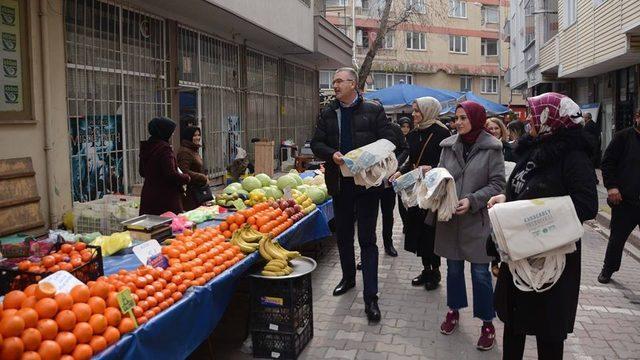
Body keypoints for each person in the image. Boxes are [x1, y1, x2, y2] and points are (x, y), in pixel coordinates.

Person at [488, 92, 598, 359]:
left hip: (552, 259)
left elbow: (585, 205)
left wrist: (530, 215)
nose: (529, 121)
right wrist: (506, 198)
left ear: (551, 118)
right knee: (513, 325)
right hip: (518, 253)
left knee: (548, 331)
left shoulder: (574, 157)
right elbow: (519, 188)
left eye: (534, 115)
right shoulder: (533, 148)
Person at [310, 67, 397, 322]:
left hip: (367, 186)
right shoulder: (328, 112)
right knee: (344, 236)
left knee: (367, 240)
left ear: (353, 84)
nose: (334, 85)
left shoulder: (373, 110)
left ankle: (371, 297)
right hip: (340, 184)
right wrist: (331, 154)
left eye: (339, 81)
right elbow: (317, 143)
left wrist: (371, 158)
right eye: (334, 81)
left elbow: (389, 140)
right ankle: (348, 278)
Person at [436, 101, 505, 351]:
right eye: (457, 118)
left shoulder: (492, 147)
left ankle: (487, 323)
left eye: (464, 118)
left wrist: (473, 200)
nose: (459, 123)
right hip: (450, 220)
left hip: (477, 221)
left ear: (476, 119)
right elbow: (441, 176)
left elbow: (498, 184)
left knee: (480, 274)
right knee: (453, 271)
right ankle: (453, 311)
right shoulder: (447, 146)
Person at [388, 97, 450, 290]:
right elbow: (411, 160)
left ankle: (436, 271)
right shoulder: (414, 133)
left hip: (433, 190)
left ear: (428, 110)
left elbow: (447, 162)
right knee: (416, 230)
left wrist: (431, 168)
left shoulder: (442, 133)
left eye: (417, 111)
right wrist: (400, 172)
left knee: (430, 231)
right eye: (413, 110)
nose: (413, 114)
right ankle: (425, 269)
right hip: (415, 189)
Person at [597, 110, 640, 283]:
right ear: (637, 117)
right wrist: (612, 187)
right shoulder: (623, 137)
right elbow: (607, 162)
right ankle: (608, 269)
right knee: (617, 239)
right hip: (625, 199)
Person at [139, 117, 190, 215]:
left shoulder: (146, 147)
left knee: (152, 226)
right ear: (164, 131)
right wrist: (186, 178)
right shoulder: (164, 149)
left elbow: (142, 171)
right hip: (166, 197)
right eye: (171, 131)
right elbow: (171, 174)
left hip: (149, 195)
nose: (173, 134)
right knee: (171, 227)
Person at [177, 126, 209, 211]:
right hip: (190, 193)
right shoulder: (184, 152)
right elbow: (184, 171)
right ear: (188, 136)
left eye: (199, 135)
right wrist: (202, 177)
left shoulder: (193, 149)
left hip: (197, 190)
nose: (197, 137)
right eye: (194, 135)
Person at [396, 117, 413, 233]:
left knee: (411, 199)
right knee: (401, 200)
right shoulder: (396, 139)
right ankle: (405, 224)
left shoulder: (413, 138)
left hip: (411, 173)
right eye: (403, 126)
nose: (405, 129)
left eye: (407, 127)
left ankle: (411, 223)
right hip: (399, 174)